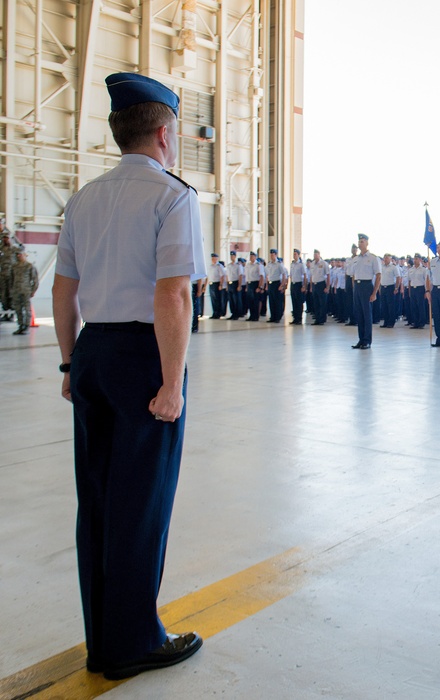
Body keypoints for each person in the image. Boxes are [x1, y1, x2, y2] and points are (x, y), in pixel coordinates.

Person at [52, 72, 204, 681]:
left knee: (100, 503)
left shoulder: (84, 198)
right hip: (144, 358)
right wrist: (172, 383)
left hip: (92, 353)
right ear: (165, 133)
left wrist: (69, 363)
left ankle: (103, 639)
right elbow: (173, 296)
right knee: (141, 504)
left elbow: (64, 292)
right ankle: (132, 642)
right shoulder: (173, 197)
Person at [351, 233, 381, 348]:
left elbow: (378, 275)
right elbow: (353, 274)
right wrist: (354, 287)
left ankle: (367, 340)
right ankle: (361, 339)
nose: (360, 243)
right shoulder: (356, 259)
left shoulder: (373, 258)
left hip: (367, 286)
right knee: (359, 314)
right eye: (359, 241)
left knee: (367, 315)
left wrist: (374, 292)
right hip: (357, 287)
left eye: (362, 241)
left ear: (367, 243)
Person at [9, 248, 39, 334]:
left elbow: (35, 280)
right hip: (16, 290)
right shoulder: (14, 266)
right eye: (17, 254)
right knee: (18, 309)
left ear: (24, 255)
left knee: (27, 309)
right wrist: (11, 289)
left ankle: (26, 326)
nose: (18, 256)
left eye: (20, 254)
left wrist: (33, 291)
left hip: (26, 290)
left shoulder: (29, 266)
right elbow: (11, 279)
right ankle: (20, 325)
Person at [265, 249, 287, 322]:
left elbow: (284, 274)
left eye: (273, 254)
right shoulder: (269, 264)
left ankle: (277, 317)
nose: (271, 256)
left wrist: (282, 285)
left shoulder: (279, 264)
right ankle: (273, 316)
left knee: (277, 301)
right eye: (271, 254)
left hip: (277, 283)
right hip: (270, 283)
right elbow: (267, 275)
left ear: (276, 255)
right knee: (271, 301)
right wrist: (267, 285)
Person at [288, 248, 307, 325]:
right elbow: (291, 275)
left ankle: (299, 318)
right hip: (293, 284)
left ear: (299, 255)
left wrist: (304, 286)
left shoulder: (301, 264)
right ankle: (295, 318)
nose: (294, 255)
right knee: (294, 302)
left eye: (295, 254)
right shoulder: (292, 264)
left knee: (299, 302)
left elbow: (305, 276)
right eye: (293, 254)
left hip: (299, 284)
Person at [206, 253, 226, 318]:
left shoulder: (219, 266)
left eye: (214, 258)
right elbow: (208, 276)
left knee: (217, 299)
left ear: (217, 258)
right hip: (211, 283)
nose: (213, 259)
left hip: (216, 283)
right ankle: (214, 313)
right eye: (212, 258)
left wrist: (220, 284)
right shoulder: (210, 266)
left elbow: (222, 276)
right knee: (213, 299)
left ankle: (218, 313)